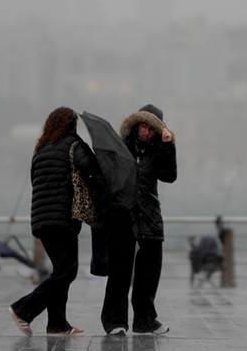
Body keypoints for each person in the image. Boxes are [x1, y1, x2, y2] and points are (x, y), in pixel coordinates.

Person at [9, 107, 107, 337]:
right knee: (67, 270)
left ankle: (57, 324)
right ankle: (23, 309)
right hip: (63, 219)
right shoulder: (74, 145)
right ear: (72, 125)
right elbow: (93, 174)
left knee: (60, 271)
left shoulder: (41, 149)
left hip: (42, 220)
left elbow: (37, 182)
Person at [100, 104, 177, 335]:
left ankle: (145, 321)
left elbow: (169, 176)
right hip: (122, 215)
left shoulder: (159, 149)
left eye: (151, 128)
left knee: (149, 273)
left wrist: (168, 145)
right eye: (143, 126)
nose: (146, 132)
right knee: (120, 272)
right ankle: (114, 321)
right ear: (136, 125)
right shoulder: (122, 147)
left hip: (150, 215)